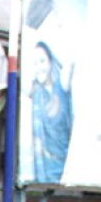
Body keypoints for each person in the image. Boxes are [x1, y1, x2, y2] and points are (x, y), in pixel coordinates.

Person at [30, 40, 73, 183]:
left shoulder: (61, 86)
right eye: (34, 63)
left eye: (42, 61)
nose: (39, 67)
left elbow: (71, 59)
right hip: (43, 168)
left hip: (63, 162)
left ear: (50, 62)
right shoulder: (35, 93)